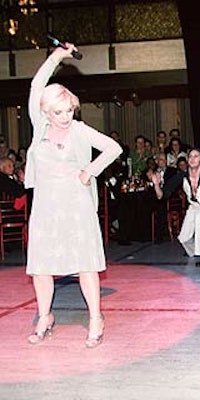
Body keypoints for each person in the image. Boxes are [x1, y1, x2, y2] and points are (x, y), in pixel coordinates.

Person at [24, 43, 122, 347]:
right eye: (58, 111)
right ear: (45, 111)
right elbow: (37, 84)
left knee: (85, 264)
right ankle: (45, 317)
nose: (65, 116)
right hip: (45, 206)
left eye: (68, 110)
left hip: (76, 205)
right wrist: (58, 56)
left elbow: (114, 148)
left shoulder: (79, 130)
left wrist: (89, 170)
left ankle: (96, 318)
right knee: (41, 266)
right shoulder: (39, 128)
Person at [152, 147, 200, 266]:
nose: (192, 159)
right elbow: (162, 196)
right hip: (195, 206)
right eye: (190, 156)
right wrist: (156, 185)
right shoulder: (182, 176)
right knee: (184, 238)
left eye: (196, 156)